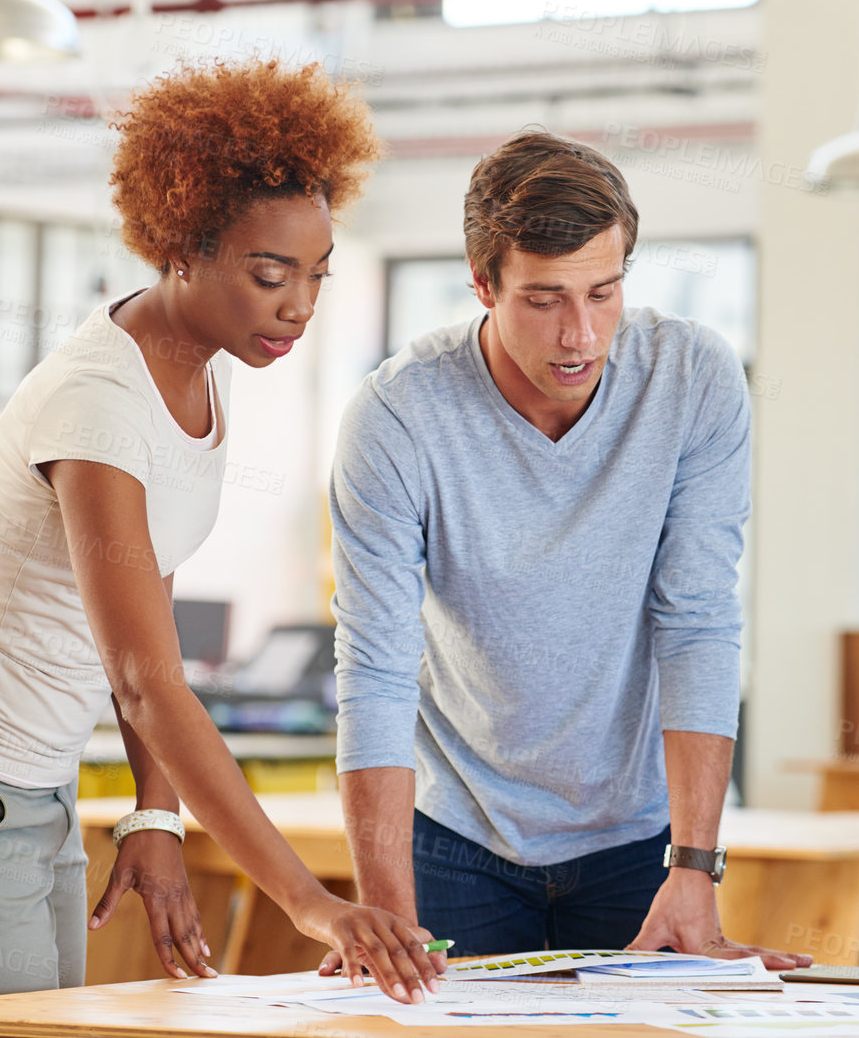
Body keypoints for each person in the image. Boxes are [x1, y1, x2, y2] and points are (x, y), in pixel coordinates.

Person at [0, 59, 442, 1023]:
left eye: (316, 275)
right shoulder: (98, 404)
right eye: (269, 274)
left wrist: (154, 812)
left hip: (37, 780)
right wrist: (307, 901)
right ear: (181, 249)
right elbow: (144, 681)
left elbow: (147, 594)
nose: (299, 306)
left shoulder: (208, 363)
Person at [325, 130, 808, 968]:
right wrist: (386, 913)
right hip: (455, 836)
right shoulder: (399, 415)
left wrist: (694, 866)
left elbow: (695, 620)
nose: (580, 334)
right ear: (482, 283)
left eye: (604, 291)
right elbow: (374, 666)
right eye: (544, 298)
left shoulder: (690, 377)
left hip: (638, 840)